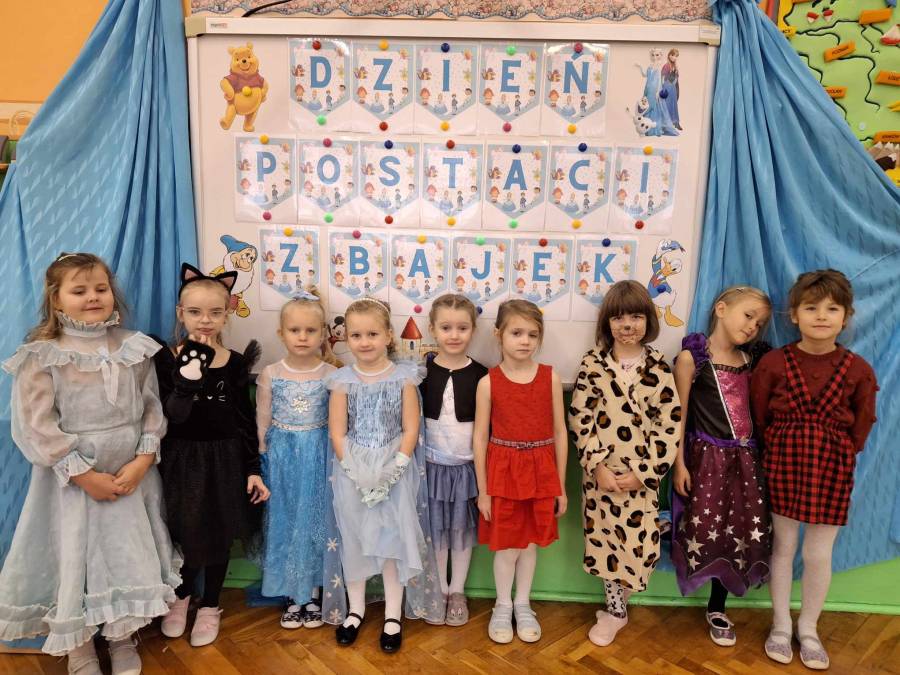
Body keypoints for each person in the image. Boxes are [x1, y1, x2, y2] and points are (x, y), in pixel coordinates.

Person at [0, 252, 180, 675]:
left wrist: (143, 460)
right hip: (73, 484)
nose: (92, 297)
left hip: (130, 478)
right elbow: (35, 425)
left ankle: (121, 637)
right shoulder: (42, 355)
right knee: (74, 557)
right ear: (56, 299)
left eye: (100, 289)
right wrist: (83, 474)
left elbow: (151, 408)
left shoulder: (134, 348)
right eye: (79, 291)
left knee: (124, 556)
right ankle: (79, 646)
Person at [752, 270, 877, 670]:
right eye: (811, 307)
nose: (821, 316)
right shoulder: (773, 363)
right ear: (794, 314)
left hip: (832, 468)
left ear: (846, 316)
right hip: (783, 465)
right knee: (783, 547)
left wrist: (838, 452)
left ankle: (808, 628)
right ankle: (779, 624)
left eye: (832, 309)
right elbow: (759, 416)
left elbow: (863, 422)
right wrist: (780, 445)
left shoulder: (858, 369)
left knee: (818, 553)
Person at [154, 264, 270, 647]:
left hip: (225, 461)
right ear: (180, 313)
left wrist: (252, 469)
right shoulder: (166, 359)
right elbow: (172, 416)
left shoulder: (234, 363)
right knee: (184, 531)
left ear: (226, 314)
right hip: (181, 461)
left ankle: (211, 604)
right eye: (195, 312)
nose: (205, 320)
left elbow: (244, 421)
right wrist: (187, 378)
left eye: (215, 312)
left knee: (220, 531)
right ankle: (182, 595)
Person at [325, 298, 443, 653]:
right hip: (352, 472)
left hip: (394, 470)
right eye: (356, 335)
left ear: (389, 335)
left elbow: (410, 428)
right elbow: (337, 432)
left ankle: (393, 614)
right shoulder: (342, 381)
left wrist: (396, 469)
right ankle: (356, 610)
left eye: (372, 334)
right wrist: (354, 471)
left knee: (393, 541)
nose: (364, 342)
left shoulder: (404, 377)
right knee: (355, 539)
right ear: (347, 338)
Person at [568, 280, 681, 647]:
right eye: (618, 318)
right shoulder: (593, 364)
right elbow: (580, 417)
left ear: (648, 320)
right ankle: (615, 611)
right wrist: (597, 465)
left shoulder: (659, 368)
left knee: (638, 547)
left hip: (640, 480)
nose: (627, 325)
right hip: (601, 478)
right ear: (607, 323)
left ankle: (621, 604)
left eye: (635, 316)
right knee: (605, 546)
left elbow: (669, 425)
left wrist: (644, 473)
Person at [671, 286, 773, 647]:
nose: (752, 327)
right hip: (707, 462)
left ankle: (718, 604)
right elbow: (678, 416)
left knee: (739, 531)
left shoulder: (752, 361)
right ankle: (711, 599)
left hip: (746, 464)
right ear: (721, 309)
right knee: (708, 527)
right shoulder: (693, 358)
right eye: (748, 316)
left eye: (759, 323)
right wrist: (679, 464)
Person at [474, 299, 568, 644]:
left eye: (532, 334)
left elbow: (560, 432)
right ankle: (502, 604)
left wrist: (560, 486)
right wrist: (484, 491)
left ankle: (522, 604)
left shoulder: (550, 377)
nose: (525, 341)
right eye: (516, 333)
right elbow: (479, 437)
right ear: (499, 334)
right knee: (507, 547)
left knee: (529, 545)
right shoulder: (489, 383)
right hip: (504, 474)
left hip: (541, 472)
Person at [256, 290, 338, 629]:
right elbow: (262, 418)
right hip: (282, 458)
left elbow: (338, 421)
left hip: (318, 457)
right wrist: (262, 455)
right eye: (294, 330)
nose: (302, 337)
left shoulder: (330, 374)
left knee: (316, 521)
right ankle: (292, 593)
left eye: (310, 330)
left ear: (322, 334)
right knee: (286, 520)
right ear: (281, 333)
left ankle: (315, 591)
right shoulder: (271, 373)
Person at [420, 294, 487, 626]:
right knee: (435, 531)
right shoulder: (420, 373)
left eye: (462, 327)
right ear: (433, 329)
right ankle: (439, 589)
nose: (454, 335)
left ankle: (457, 590)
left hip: (466, 469)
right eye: (446, 327)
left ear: (473, 329)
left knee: (461, 531)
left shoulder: (483, 375)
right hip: (430, 467)